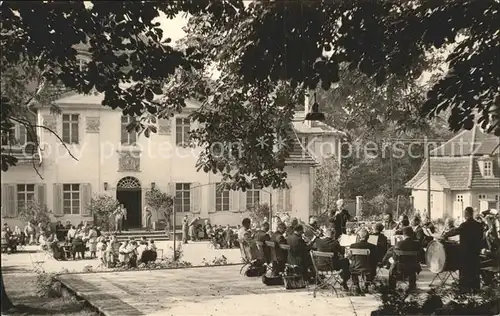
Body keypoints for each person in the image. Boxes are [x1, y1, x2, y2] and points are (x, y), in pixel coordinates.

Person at [443, 207, 484, 292]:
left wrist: (445, 235)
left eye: (464, 213)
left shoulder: (465, 225)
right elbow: (481, 238)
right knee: (475, 272)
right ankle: (476, 290)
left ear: (467, 214)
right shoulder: (479, 225)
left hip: (465, 253)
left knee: (465, 272)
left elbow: (455, 231)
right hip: (475, 253)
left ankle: (464, 291)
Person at [383, 226, 421, 290]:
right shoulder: (417, 244)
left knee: (393, 263)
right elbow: (420, 257)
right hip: (413, 268)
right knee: (412, 265)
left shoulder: (399, 244)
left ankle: (392, 286)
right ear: (412, 234)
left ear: (403, 234)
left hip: (400, 268)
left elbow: (395, 258)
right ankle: (412, 285)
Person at [349, 228, 379, 293]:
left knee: (352, 265)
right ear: (368, 237)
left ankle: (356, 284)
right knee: (373, 264)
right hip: (368, 267)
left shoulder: (353, 246)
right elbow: (375, 258)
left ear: (359, 237)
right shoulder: (373, 246)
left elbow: (350, 257)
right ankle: (366, 285)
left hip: (355, 267)